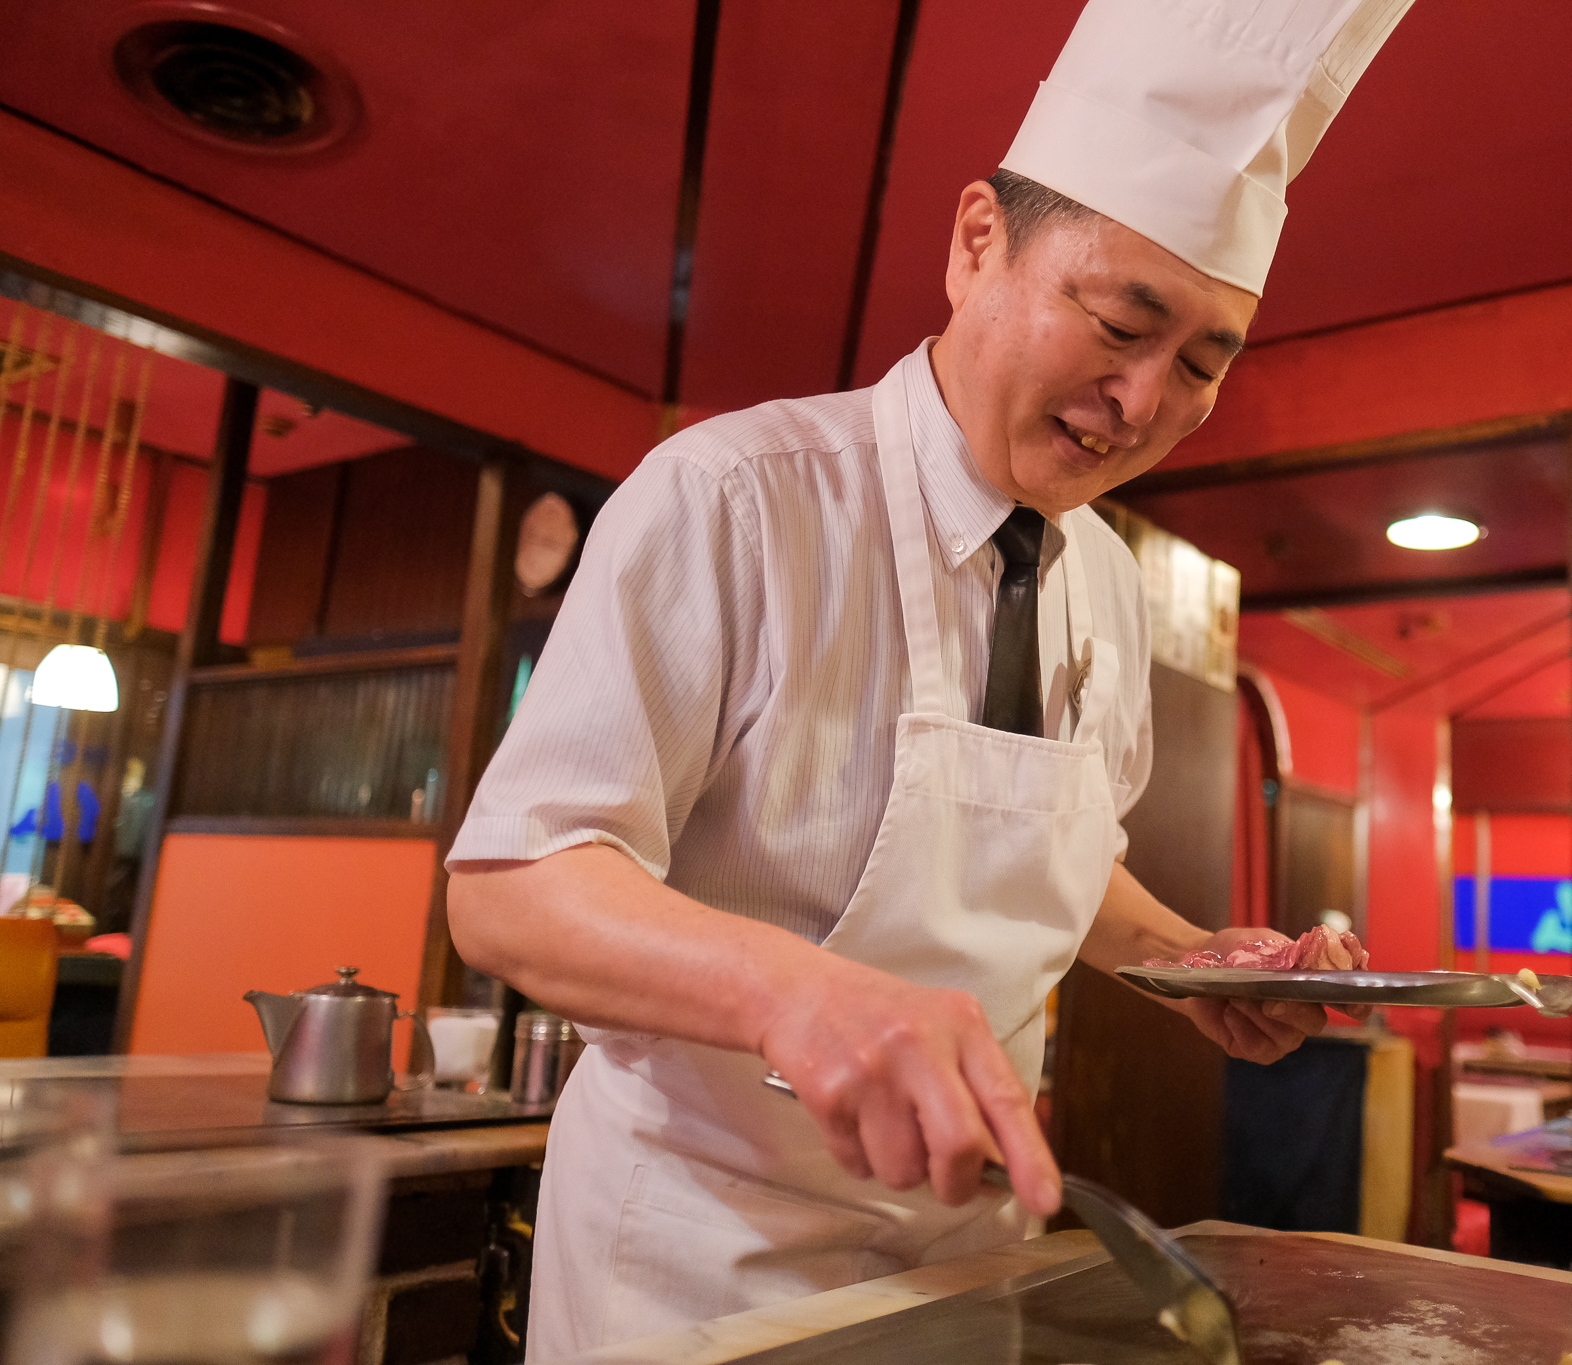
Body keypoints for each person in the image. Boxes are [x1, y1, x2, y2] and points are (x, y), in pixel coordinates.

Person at [445, 0, 1416, 1354]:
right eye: (1120, 322)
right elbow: (514, 892)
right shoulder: (735, 498)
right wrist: (796, 987)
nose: (1145, 405)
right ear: (976, 246)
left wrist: (1190, 959)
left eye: (1202, 364)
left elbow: (1045, 863)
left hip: (965, 1263)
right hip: (695, 1267)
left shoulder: (1110, 591)